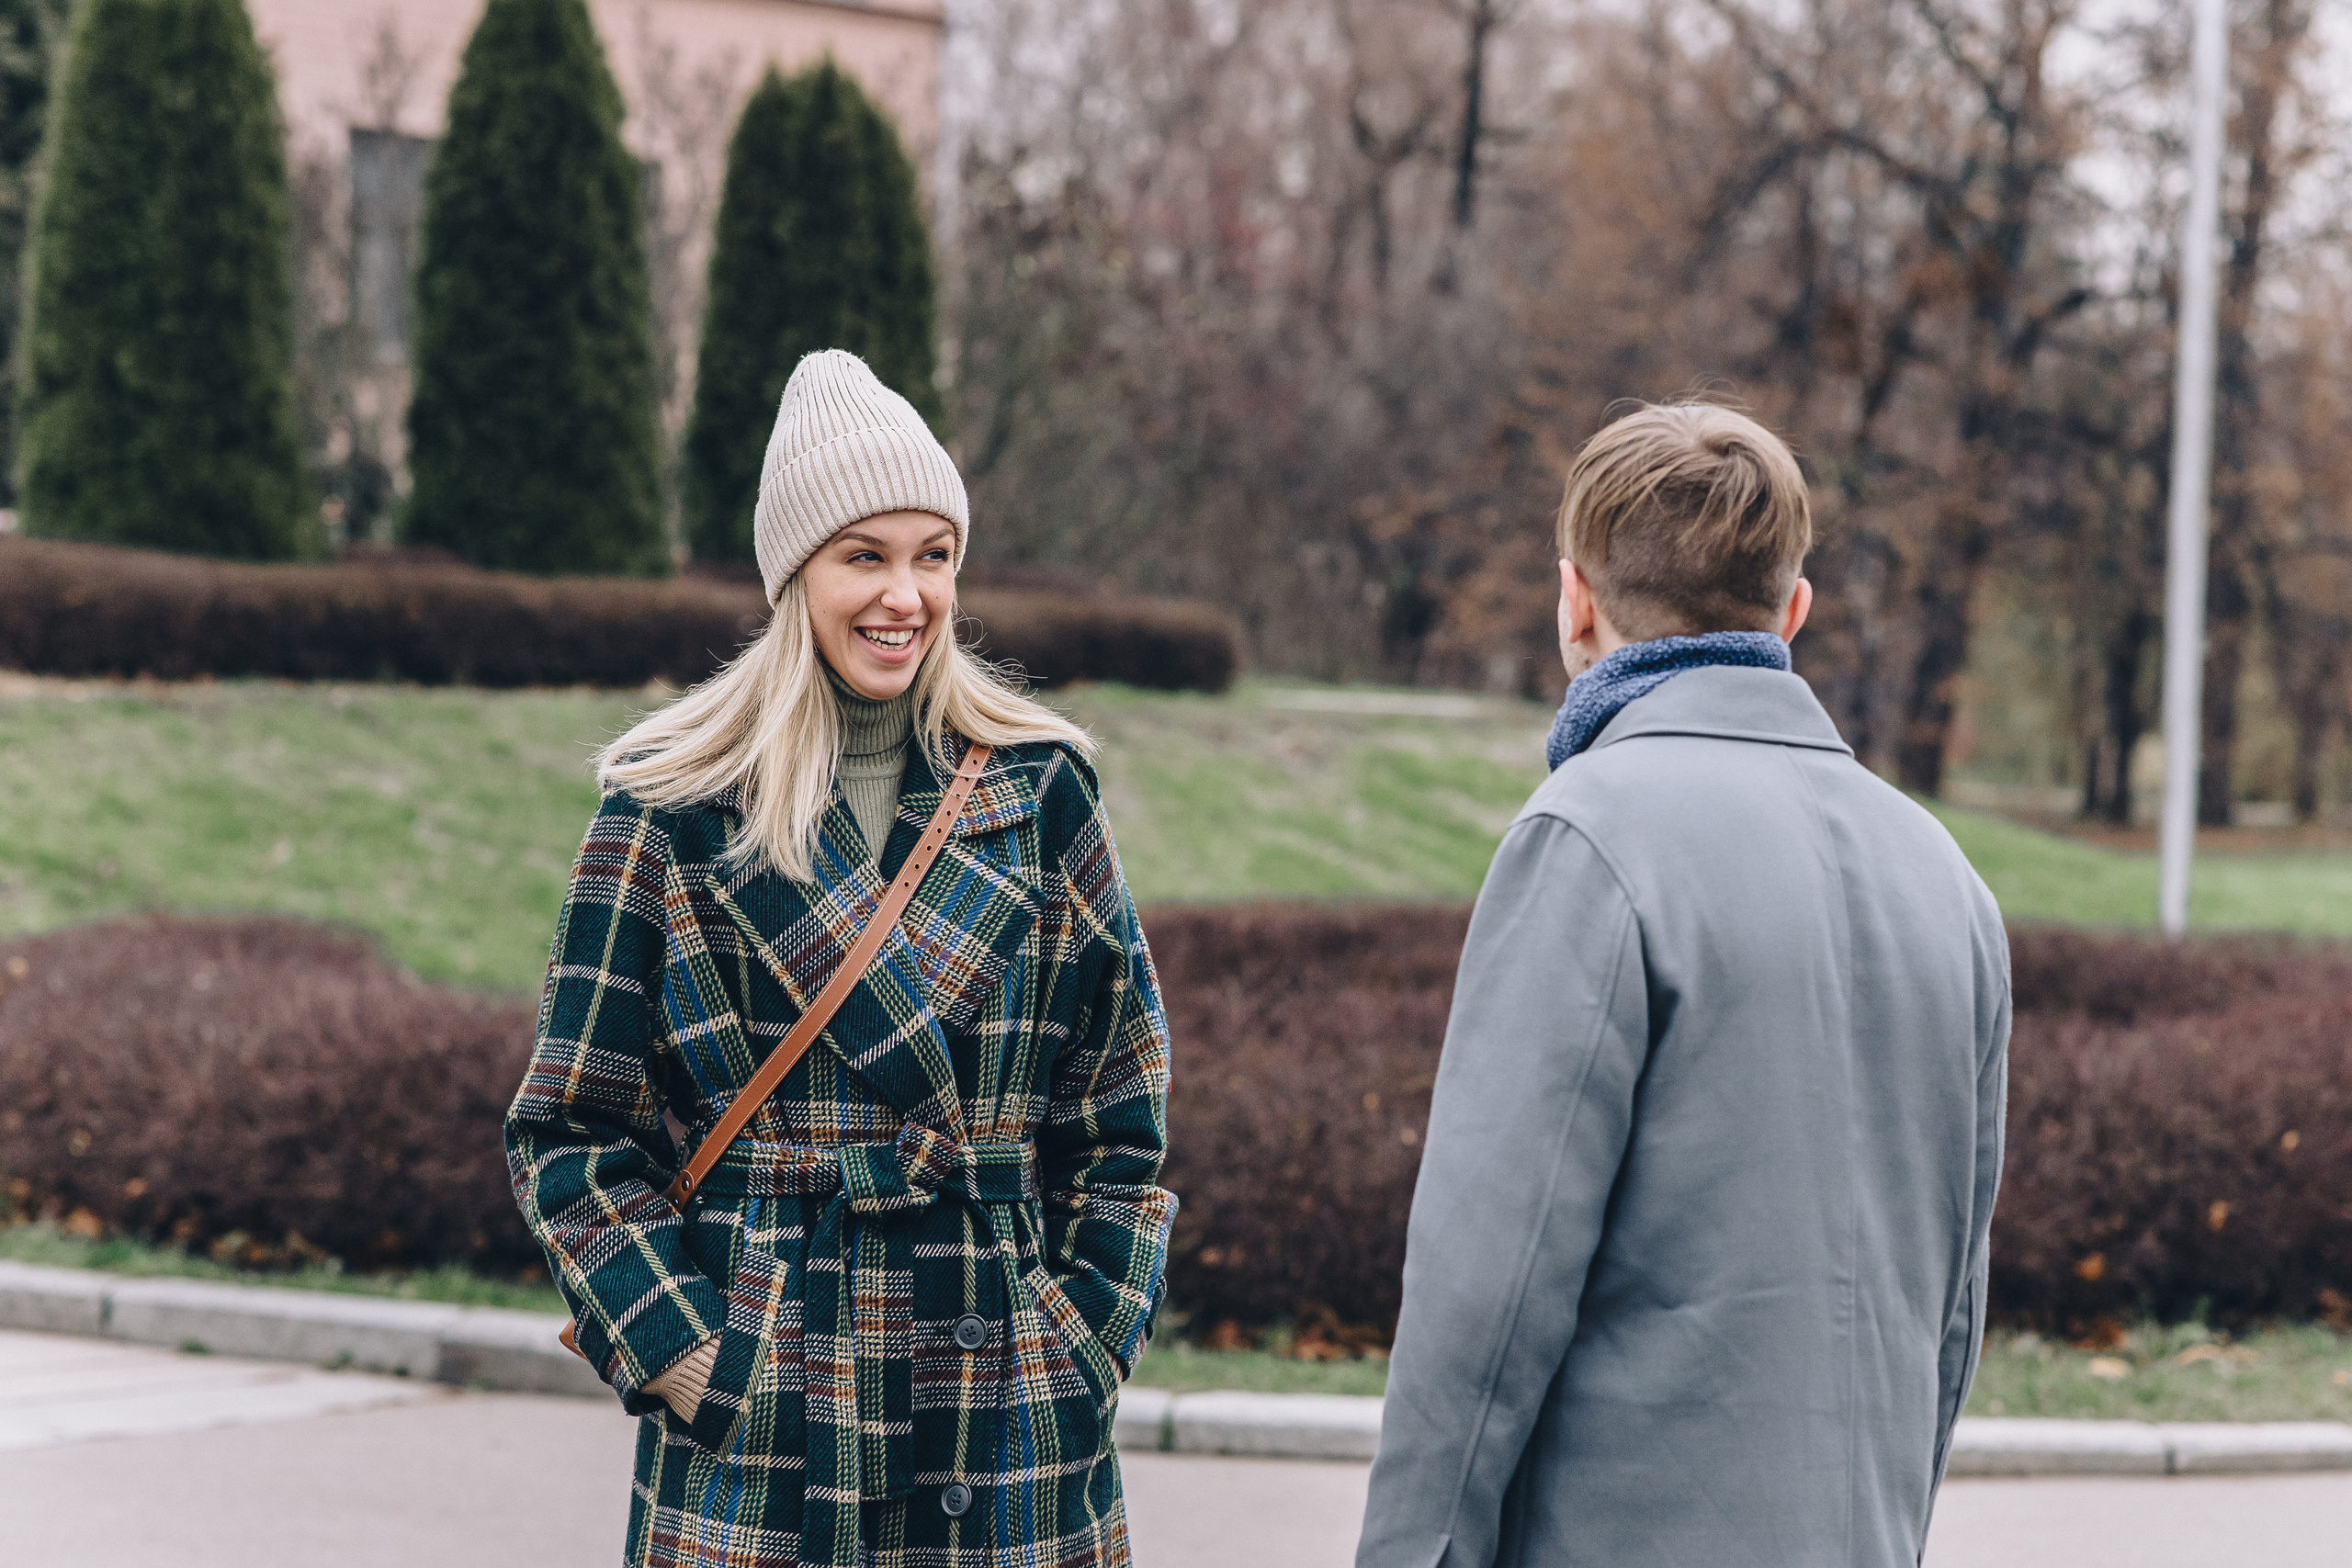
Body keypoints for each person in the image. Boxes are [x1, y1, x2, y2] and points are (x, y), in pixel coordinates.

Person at [506, 350, 1175, 1568]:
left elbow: (1120, 1114)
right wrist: (688, 1353)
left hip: (1004, 1410)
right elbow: (571, 1131)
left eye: (934, 554)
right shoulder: (669, 812)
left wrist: (1080, 1346)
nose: (905, 595)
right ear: (793, 573)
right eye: (864, 555)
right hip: (769, 1418)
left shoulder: (1042, 793)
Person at [1355, 402, 2009, 1567]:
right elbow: (1950, 1309)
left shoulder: (1589, 837)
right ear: (1792, 610)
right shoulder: (1943, 875)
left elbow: (1485, 1295)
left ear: (1574, 601)